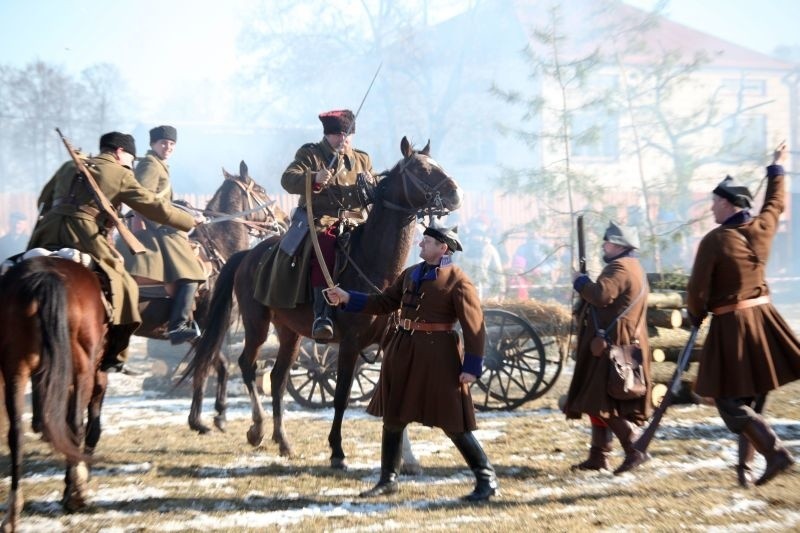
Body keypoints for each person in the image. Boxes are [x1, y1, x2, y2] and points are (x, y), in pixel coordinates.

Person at [327, 220, 498, 501]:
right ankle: (388, 479)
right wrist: (348, 297)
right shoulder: (410, 274)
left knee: (453, 421)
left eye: (426, 242)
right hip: (403, 352)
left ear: (442, 247)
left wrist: (472, 367)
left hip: (439, 356)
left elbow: (474, 326)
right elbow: (383, 303)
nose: (420, 244)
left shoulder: (458, 281)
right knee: (393, 417)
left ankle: (486, 479)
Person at [28, 131, 202, 373]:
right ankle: (114, 355)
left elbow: (43, 200)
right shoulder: (120, 173)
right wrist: (188, 220)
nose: (132, 166)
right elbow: (153, 206)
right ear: (120, 152)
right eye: (131, 160)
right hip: (85, 236)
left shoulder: (70, 165)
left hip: (45, 235)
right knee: (126, 287)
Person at [687, 142, 800, 487]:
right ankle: (744, 472)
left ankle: (775, 453)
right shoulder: (763, 227)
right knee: (751, 399)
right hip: (764, 320)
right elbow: (776, 202)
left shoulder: (716, 241)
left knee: (729, 400)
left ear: (727, 203)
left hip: (733, 325)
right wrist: (776, 168)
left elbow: (697, 290)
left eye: (714, 203)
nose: (711, 210)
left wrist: (695, 315)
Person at [258, 109, 375, 342]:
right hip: (322, 220)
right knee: (326, 246)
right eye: (337, 135)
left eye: (347, 134)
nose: (343, 139)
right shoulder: (310, 154)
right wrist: (313, 177)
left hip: (357, 220)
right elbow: (288, 179)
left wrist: (373, 183)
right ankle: (322, 315)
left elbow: (373, 187)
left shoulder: (362, 159)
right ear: (327, 134)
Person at [565, 221, 651, 475]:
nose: (604, 246)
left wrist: (580, 282)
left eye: (608, 242)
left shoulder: (620, 267)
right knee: (600, 401)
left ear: (618, 245)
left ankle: (634, 446)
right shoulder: (631, 266)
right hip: (616, 343)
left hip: (612, 346)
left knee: (597, 402)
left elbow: (601, 295)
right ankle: (599, 456)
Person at [119, 125, 208, 345]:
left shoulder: (159, 164)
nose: (167, 147)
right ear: (153, 144)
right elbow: (142, 200)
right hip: (155, 229)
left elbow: (160, 201)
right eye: (163, 143)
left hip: (159, 225)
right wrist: (176, 221)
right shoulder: (150, 164)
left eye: (171, 144)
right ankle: (178, 325)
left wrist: (183, 212)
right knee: (193, 272)